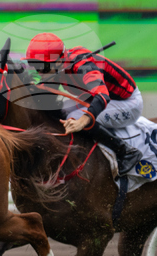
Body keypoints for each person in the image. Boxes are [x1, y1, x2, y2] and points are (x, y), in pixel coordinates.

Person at [25, 33, 142, 175]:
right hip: (96, 99)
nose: (39, 72)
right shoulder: (58, 66)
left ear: (57, 61)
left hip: (127, 102)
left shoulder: (83, 66)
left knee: (75, 116)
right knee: (63, 109)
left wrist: (83, 121)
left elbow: (102, 95)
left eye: (41, 66)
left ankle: (126, 151)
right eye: (35, 66)